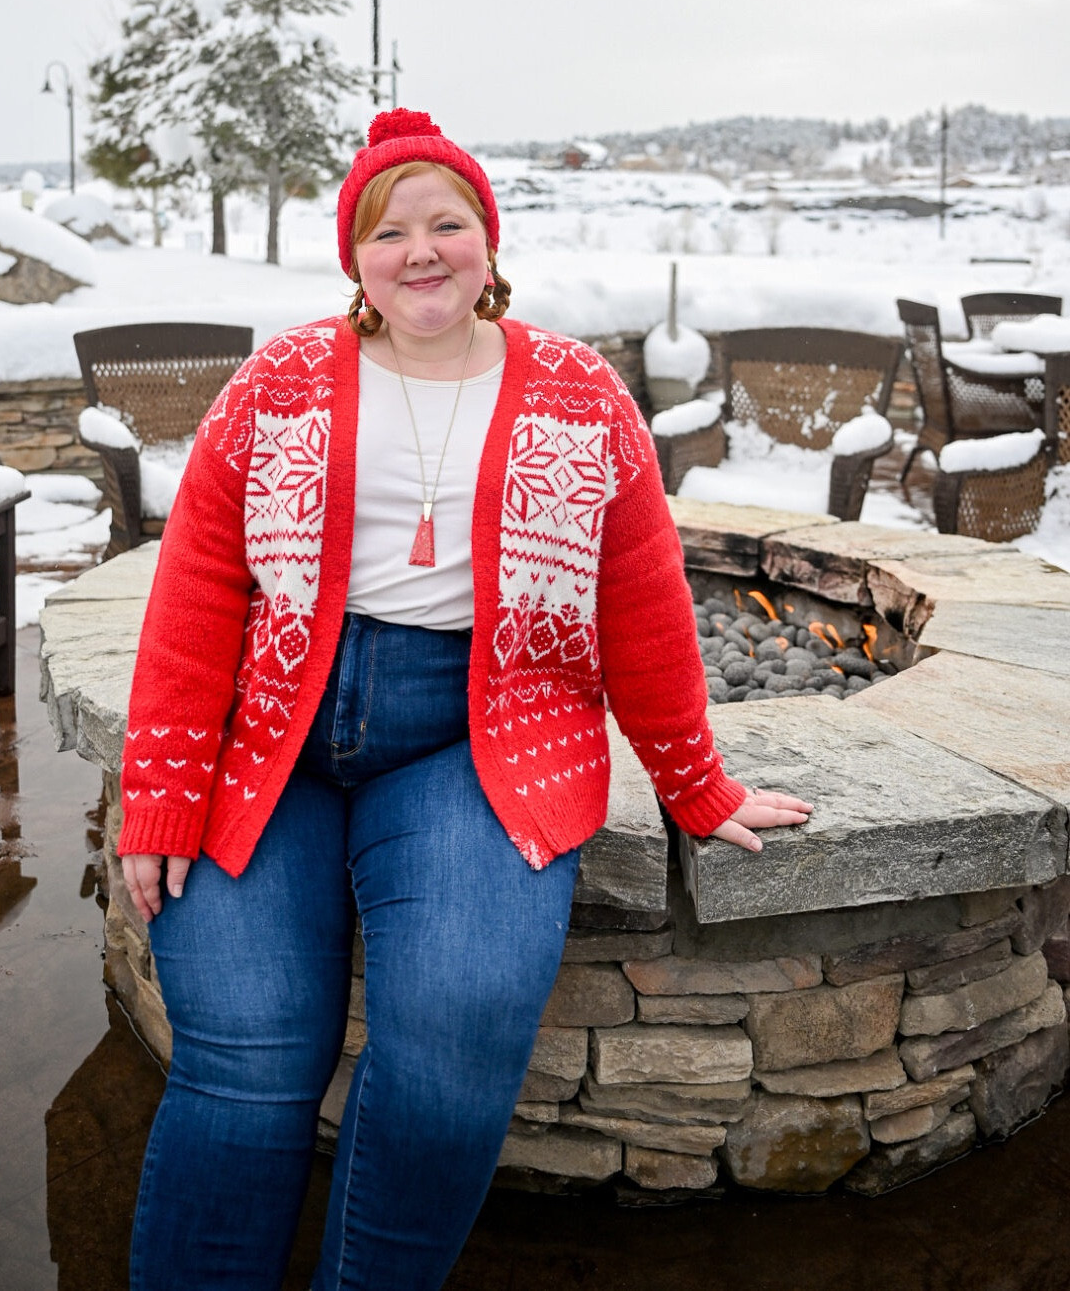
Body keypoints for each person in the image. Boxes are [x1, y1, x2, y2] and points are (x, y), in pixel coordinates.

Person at [119, 109, 813, 1291]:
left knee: (454, 1039)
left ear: (489, 246)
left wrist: (697, 785)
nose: (421, 250)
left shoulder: (583, 398)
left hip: (478, 735)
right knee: (246, 1052)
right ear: (357, 258)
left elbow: (640, 610)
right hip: (271, 731)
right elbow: (196, 591)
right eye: (391, 231)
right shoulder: (276, 382)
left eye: (449, 224)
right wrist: (160, 795)